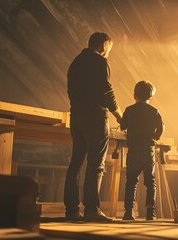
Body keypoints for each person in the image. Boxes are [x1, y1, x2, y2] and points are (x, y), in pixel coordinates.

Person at [64, 32, 122, 222]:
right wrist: (119, 115)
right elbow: (106, 89)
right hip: (95, 116)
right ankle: (91, 210)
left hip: (77, 116)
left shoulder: (75, 62)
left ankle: (71, 211)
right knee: (96, 163)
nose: (108, 53)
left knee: (76, 162)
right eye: (109, 49)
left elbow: (70, 91)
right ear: (104, 44)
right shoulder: (99, 61)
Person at [120, 80, 164, 220]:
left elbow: (122, 126)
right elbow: (161, 129)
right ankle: (151, 213)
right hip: (148, 149)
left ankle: (128, 212)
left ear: (134, 95)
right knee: (150, 181)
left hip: (133, 149)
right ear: (151, 96)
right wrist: (154, 138)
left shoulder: (129, 110)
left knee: (131, 181)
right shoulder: (155, 111)